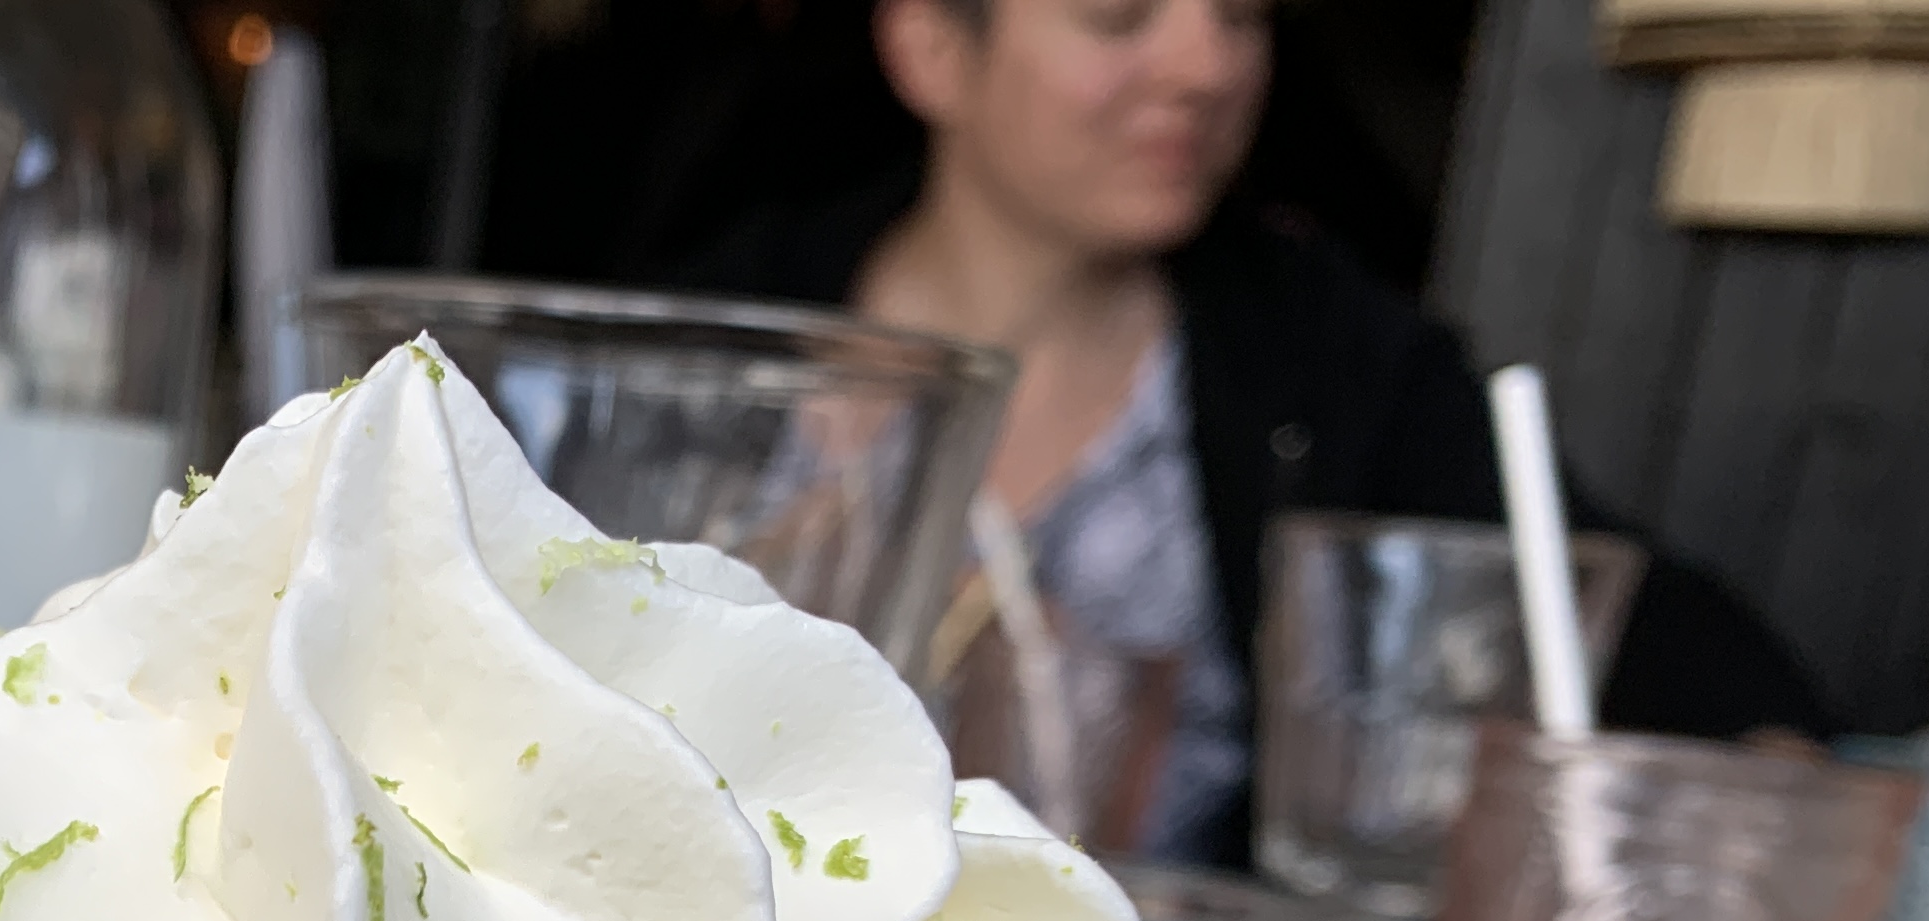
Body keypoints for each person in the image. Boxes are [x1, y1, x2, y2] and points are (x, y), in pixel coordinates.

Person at [688, 0, 1824, 864]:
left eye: (1241, 15)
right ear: (932, 47)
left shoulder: (1328, 364)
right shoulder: (714, 339)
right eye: (1119, 16)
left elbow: (1659, 648)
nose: (1208, 66)